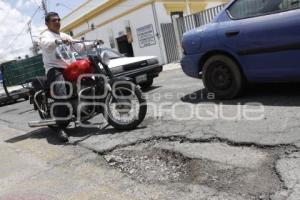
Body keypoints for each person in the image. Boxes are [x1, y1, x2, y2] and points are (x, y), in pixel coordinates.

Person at [40, 12, 94, 142]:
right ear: (47, 23)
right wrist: (57, 41)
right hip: (54, 69)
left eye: (58, 20)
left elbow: (78, 46)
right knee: (61, 95)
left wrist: (93, 43)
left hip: (68, 67)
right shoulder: (45, 35)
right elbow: (47, 44)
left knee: (88, 81)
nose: (57, 22)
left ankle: (85, 109)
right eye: (54, 20)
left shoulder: (64, 35)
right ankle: (61, 128)